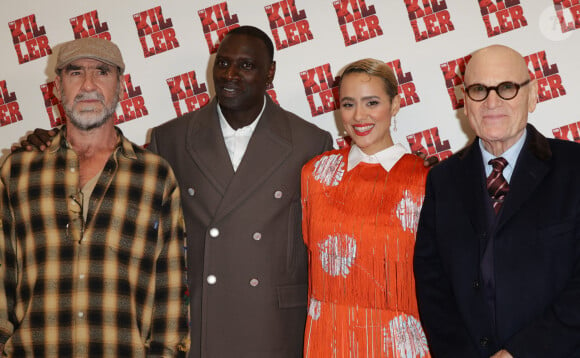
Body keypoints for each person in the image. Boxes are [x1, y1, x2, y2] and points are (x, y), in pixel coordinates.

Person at [0, 37, 189, 356]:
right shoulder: (18, 172)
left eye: (102, 72)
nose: (88, 84)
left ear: (121, 86)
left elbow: (169, 301)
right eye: (75, 72)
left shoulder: (155, 177)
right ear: (57, 88)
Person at [413, 44, 580, 357]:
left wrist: (521, 352)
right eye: (478, 89)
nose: (491, 102)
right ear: (464, 102)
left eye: (507, 87)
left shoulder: (574, 168)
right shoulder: (443, 179)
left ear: (533, 96)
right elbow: (431, 282)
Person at [301, 59, 431, 357]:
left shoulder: (426, 178)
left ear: (395, 105)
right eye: (348, 104)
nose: (359, 116)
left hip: (398, 341)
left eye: (372, 102)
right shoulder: (315, 174)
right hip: (327, 335)